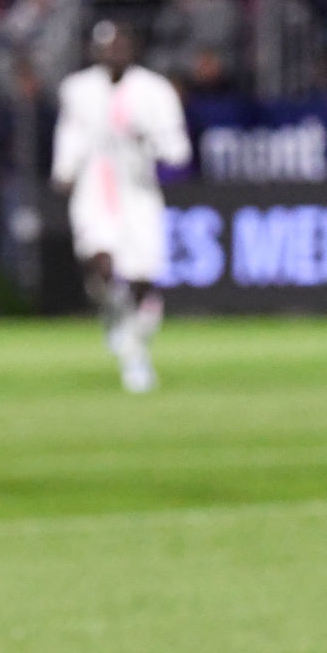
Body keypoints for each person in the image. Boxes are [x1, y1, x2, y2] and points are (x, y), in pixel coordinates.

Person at [51, 20, 191, 392]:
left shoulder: (154, 90)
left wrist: (149, 141)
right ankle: (122, 331)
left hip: (138, 193)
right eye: (106, 47)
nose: (113, 54)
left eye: (119, 45)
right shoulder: (78, 89)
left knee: (142, 279)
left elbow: (177, 149)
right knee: (100, 262)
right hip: (94, 191)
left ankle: (135, 341)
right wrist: (64, 170)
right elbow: (70, 134)